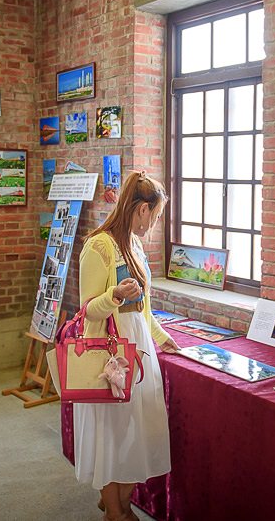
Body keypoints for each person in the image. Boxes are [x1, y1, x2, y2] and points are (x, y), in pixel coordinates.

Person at [73, 171, 180, 521]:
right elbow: (88, 308)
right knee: (113, 429)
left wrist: (163, 339)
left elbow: (144, 308)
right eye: (157, 215)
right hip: (109, 351)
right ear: (142, 209)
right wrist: (114, 295)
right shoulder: (99, 245)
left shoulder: (134, 243)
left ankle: (116, 499)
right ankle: (115, 511)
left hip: (140, 345)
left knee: (138, 425)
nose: (157, 223)